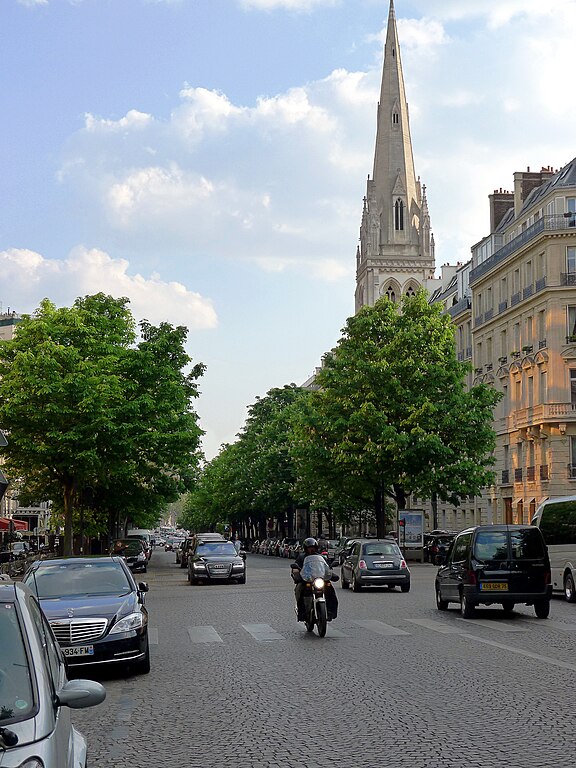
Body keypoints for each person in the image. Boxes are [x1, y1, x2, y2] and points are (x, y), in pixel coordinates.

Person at [291, 537, 338, 621]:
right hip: (307, 579)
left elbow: (327, 566)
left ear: (316, 548)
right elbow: (296, 567)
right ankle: (302, 613)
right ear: (306, 548)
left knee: (330, 590)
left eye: (313, 547)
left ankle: (331, 611)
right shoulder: (301, 557)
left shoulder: (321, 557)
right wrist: (296, 573)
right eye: (309, 548)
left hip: (319, 578)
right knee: (300, 590)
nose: (311, 549)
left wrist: (330, 571)